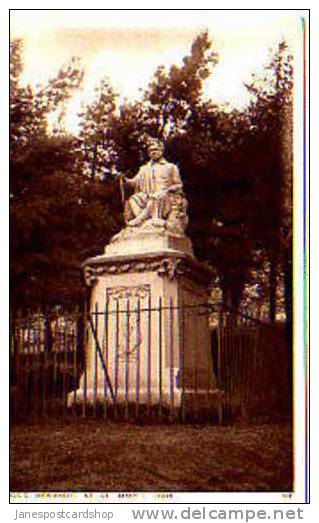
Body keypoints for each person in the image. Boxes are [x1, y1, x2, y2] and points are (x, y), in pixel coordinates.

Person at [121, 140, 184, 227]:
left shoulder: (170, 167)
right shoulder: (144, 169)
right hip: (147, 195)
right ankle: (144, 222)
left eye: (155, 149)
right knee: (133, 199)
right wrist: (125, 180)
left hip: (165, 196)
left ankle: (139, 220)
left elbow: (179, 184)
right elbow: (135, 182)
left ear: (161, 151)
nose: (153, 152)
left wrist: (168, 189)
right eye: (151, 150)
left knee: (156, 196)